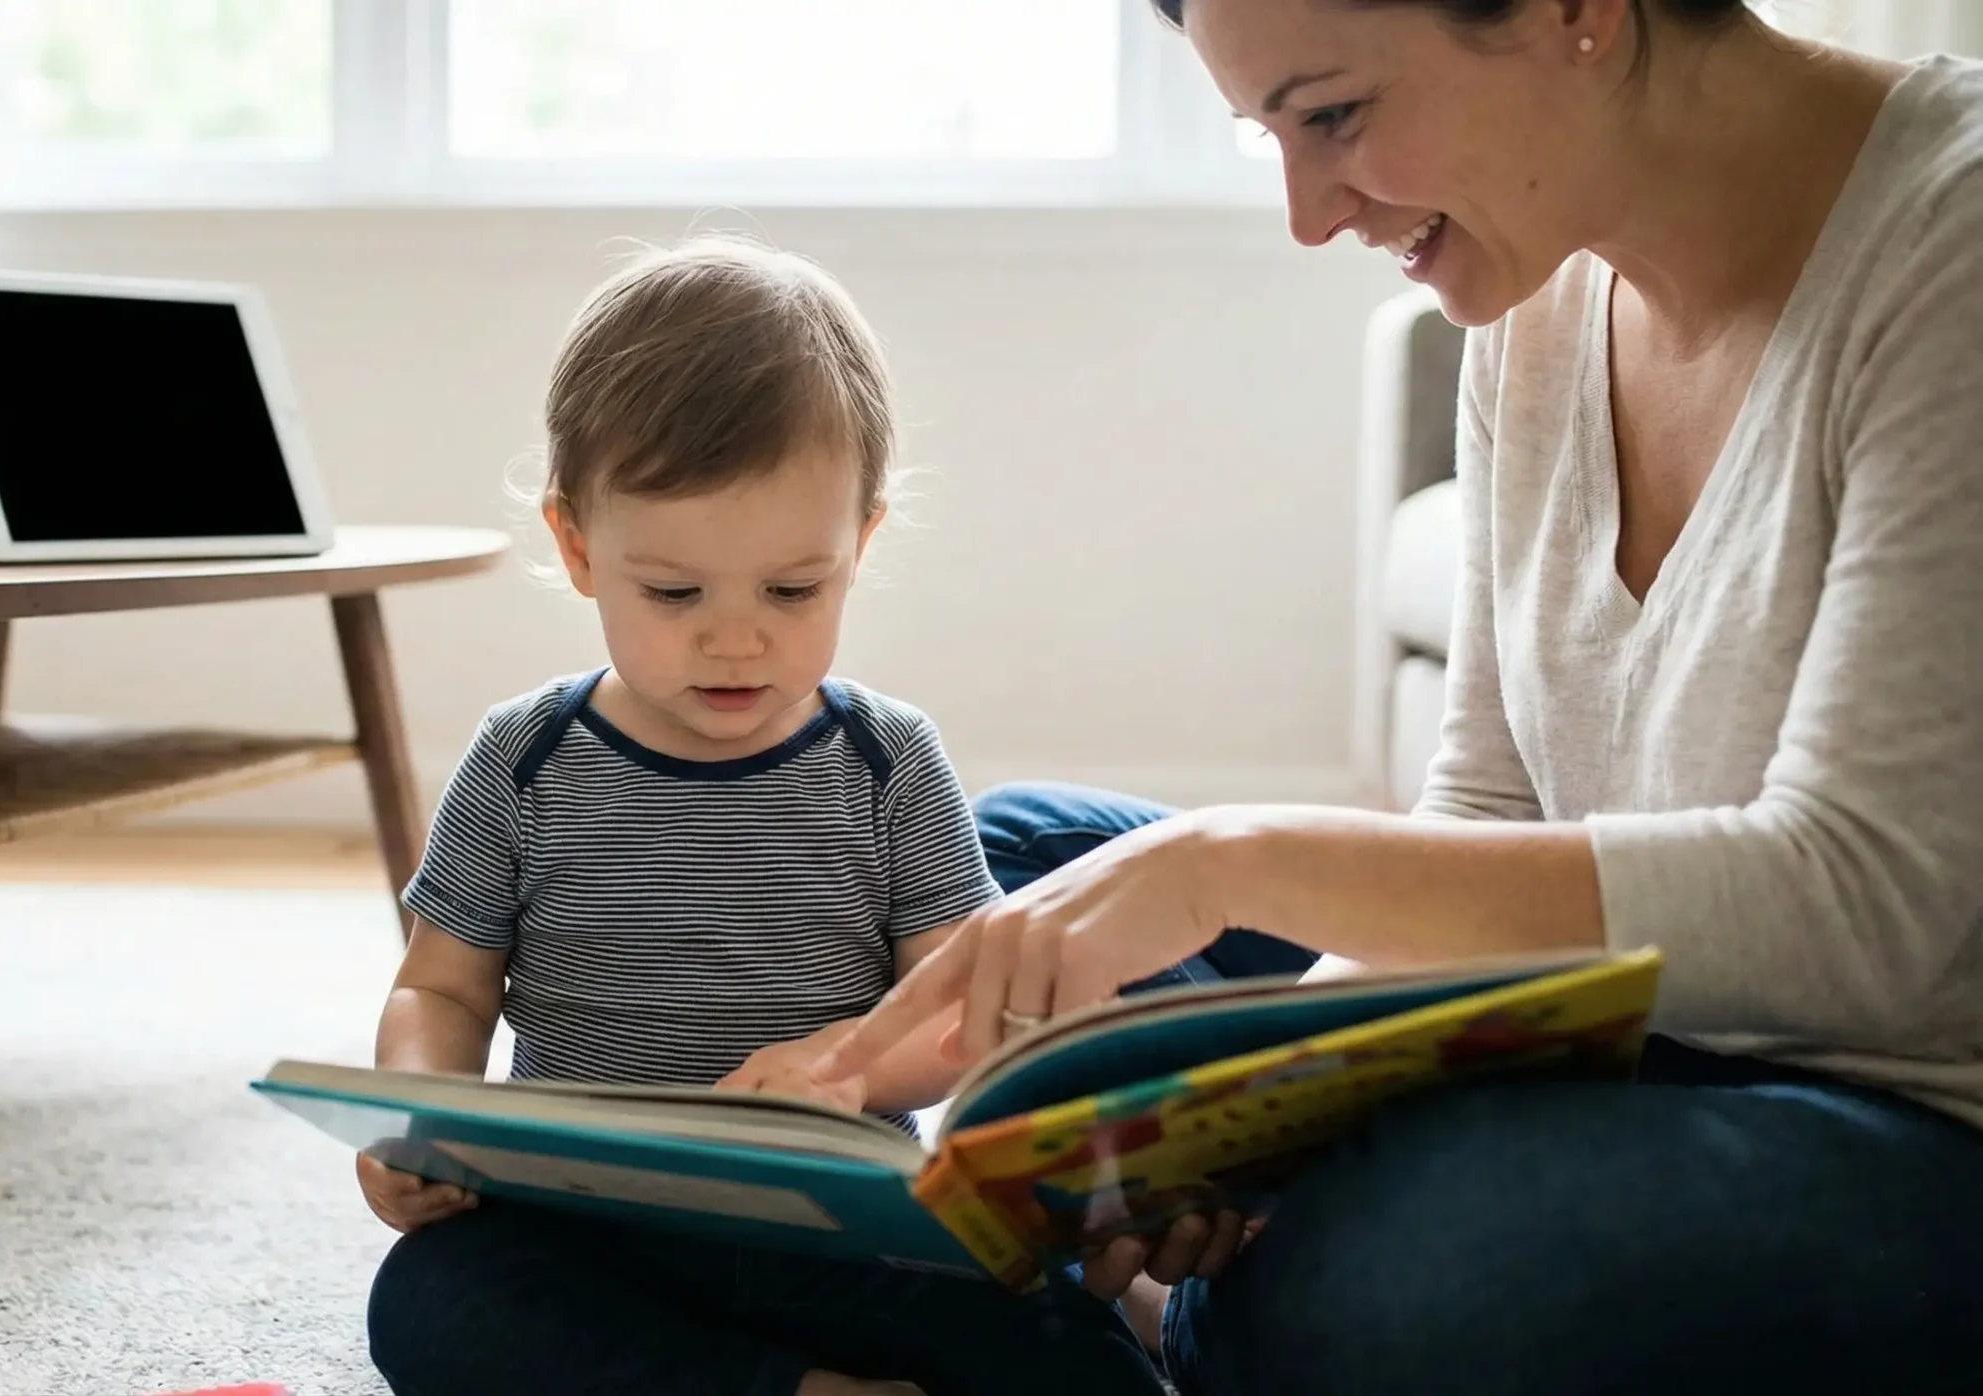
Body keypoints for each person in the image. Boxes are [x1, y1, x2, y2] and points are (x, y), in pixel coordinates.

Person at [811, 3, 1983, 1393]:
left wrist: (1234, 861)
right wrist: (1247, 1110)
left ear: (1578, 12)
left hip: (1896, 1118)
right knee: (1018, 862)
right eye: (1272, 139)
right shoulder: (1540, 292)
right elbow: (1489, 806)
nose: (1310, 216)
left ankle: (1127, 1328)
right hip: (1595, 1038)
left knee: (1423, 1270)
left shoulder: (1948, 244)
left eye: (1335, 117)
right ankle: (1192, 1299)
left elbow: (1869, 912)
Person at [354, 235, 1153, 1396]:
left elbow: (960, 1009)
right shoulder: (523, 758)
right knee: (432, 1304)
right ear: (577, 547)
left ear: (859, 544)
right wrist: (415, 1117)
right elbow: (440, 985)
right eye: (673, 592)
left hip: (840, 1221)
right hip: (587, 1225)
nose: (737, 638)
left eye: (793, 590)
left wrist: (848, 1070)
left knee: (1065, 1345)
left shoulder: (885, 761)